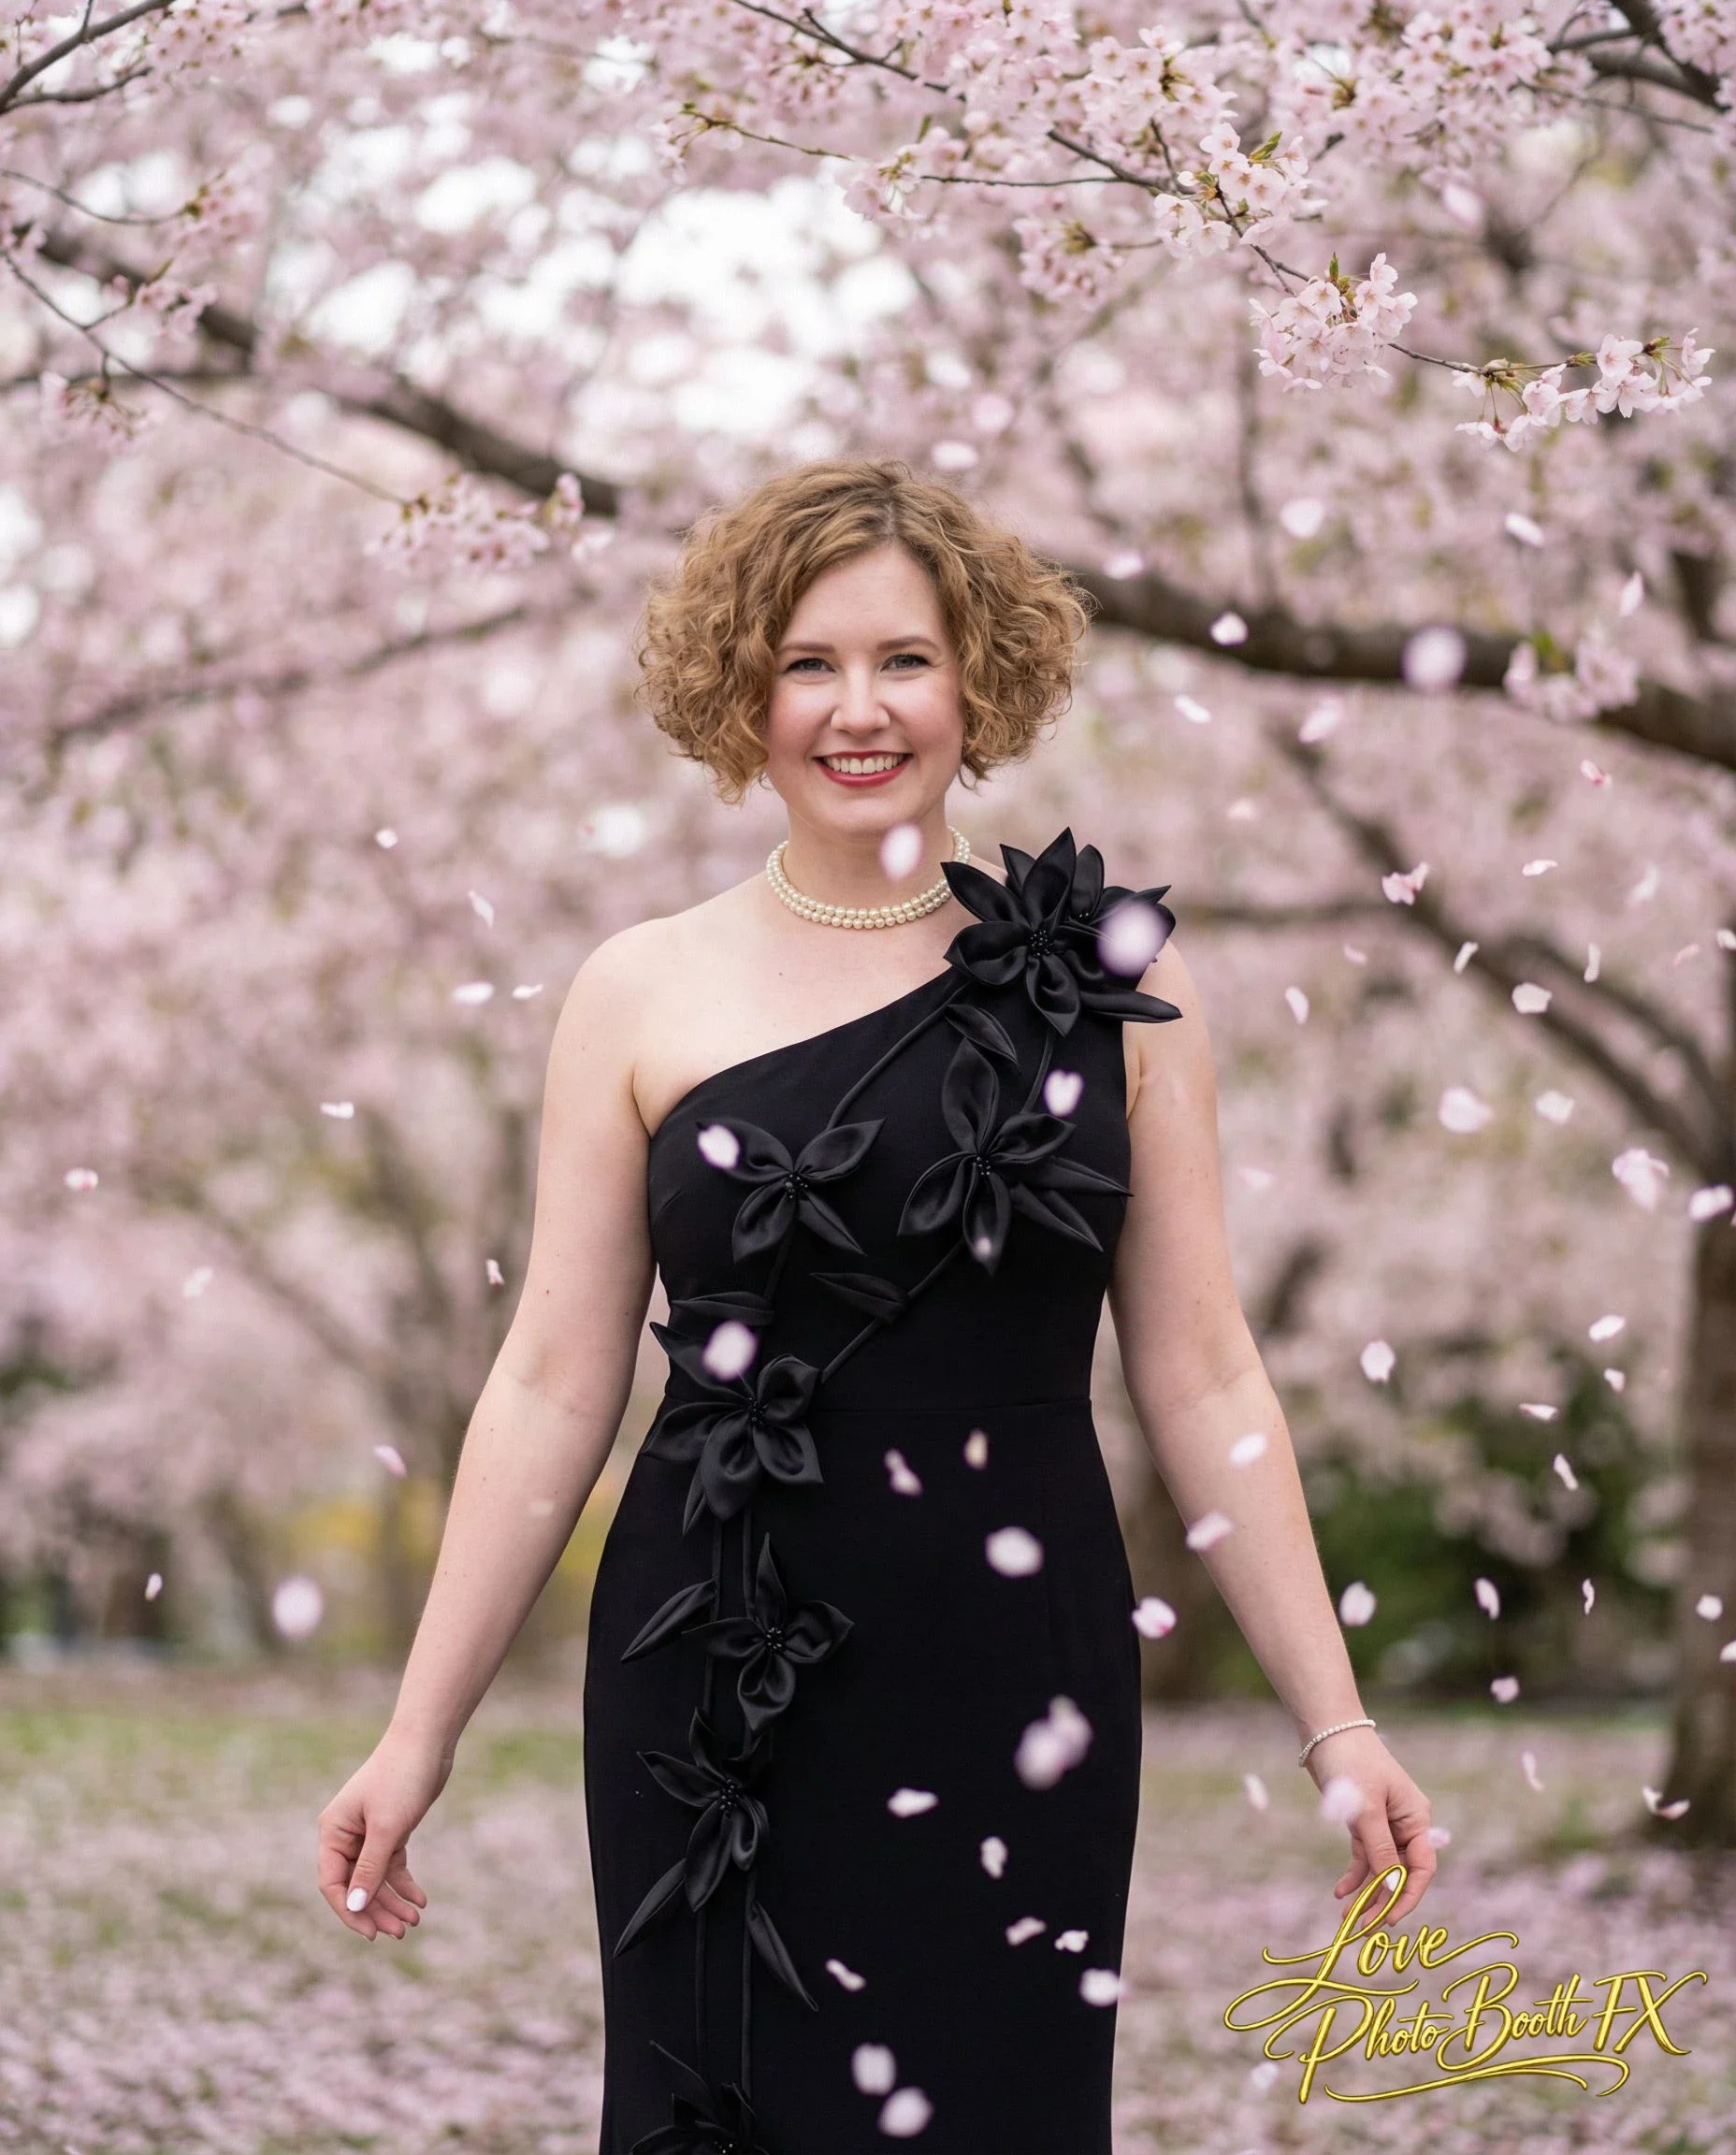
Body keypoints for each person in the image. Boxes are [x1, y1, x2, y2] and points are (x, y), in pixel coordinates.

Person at [316, 458, 1437, 2153]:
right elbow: (553, 1385)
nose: (859, 710)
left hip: (1019, 1661)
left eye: (904, 659)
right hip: (718, 1668)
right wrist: (420, 1734)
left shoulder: (1120, 978)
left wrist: (1336, 1724)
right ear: (737, 688)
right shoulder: (640, 988)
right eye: (807, 664)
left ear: (978, 674)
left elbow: (1206, 1379)